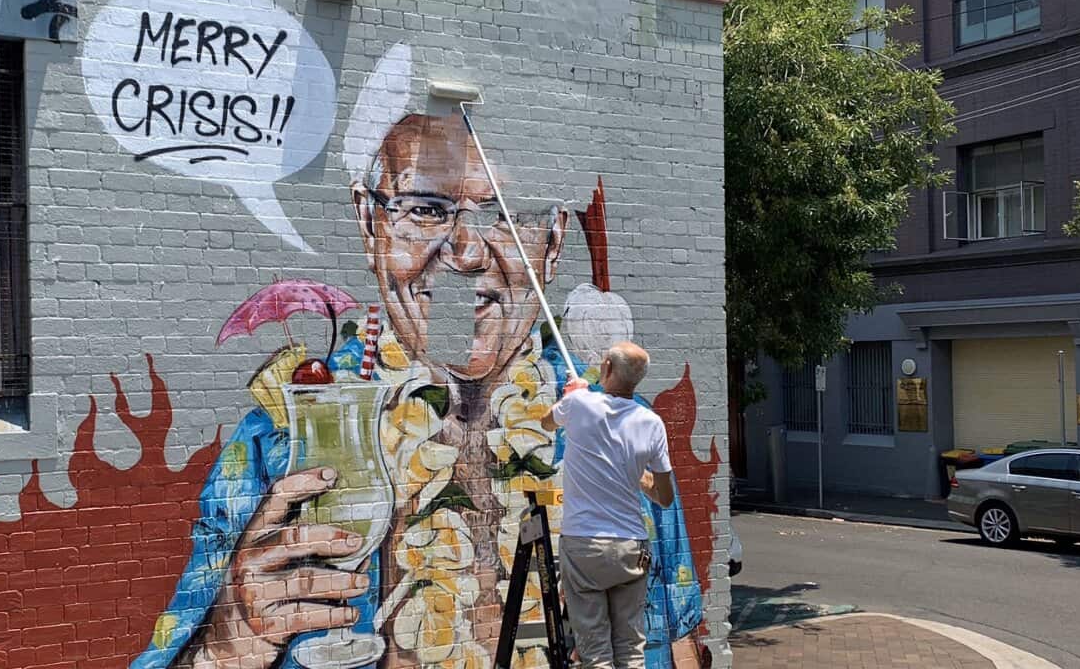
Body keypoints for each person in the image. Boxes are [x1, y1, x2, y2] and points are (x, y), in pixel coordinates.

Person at [133, 115, 701, 669]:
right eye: (425, 210)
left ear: (553, 242)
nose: (466, 252)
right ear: (369, 223)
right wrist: (228, 647)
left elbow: (676, 637)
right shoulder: (284, 436)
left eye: (504, 218)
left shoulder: (624, 423)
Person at [541, 342, 676, 669]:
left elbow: (547, 422)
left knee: (595, 651)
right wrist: (635, 476)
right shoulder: (651, 422)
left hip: (584, 545)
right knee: (631, 648)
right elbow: (665, 495)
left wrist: (570, 394)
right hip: (630, 545)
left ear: (607, 368)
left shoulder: (578, 403)